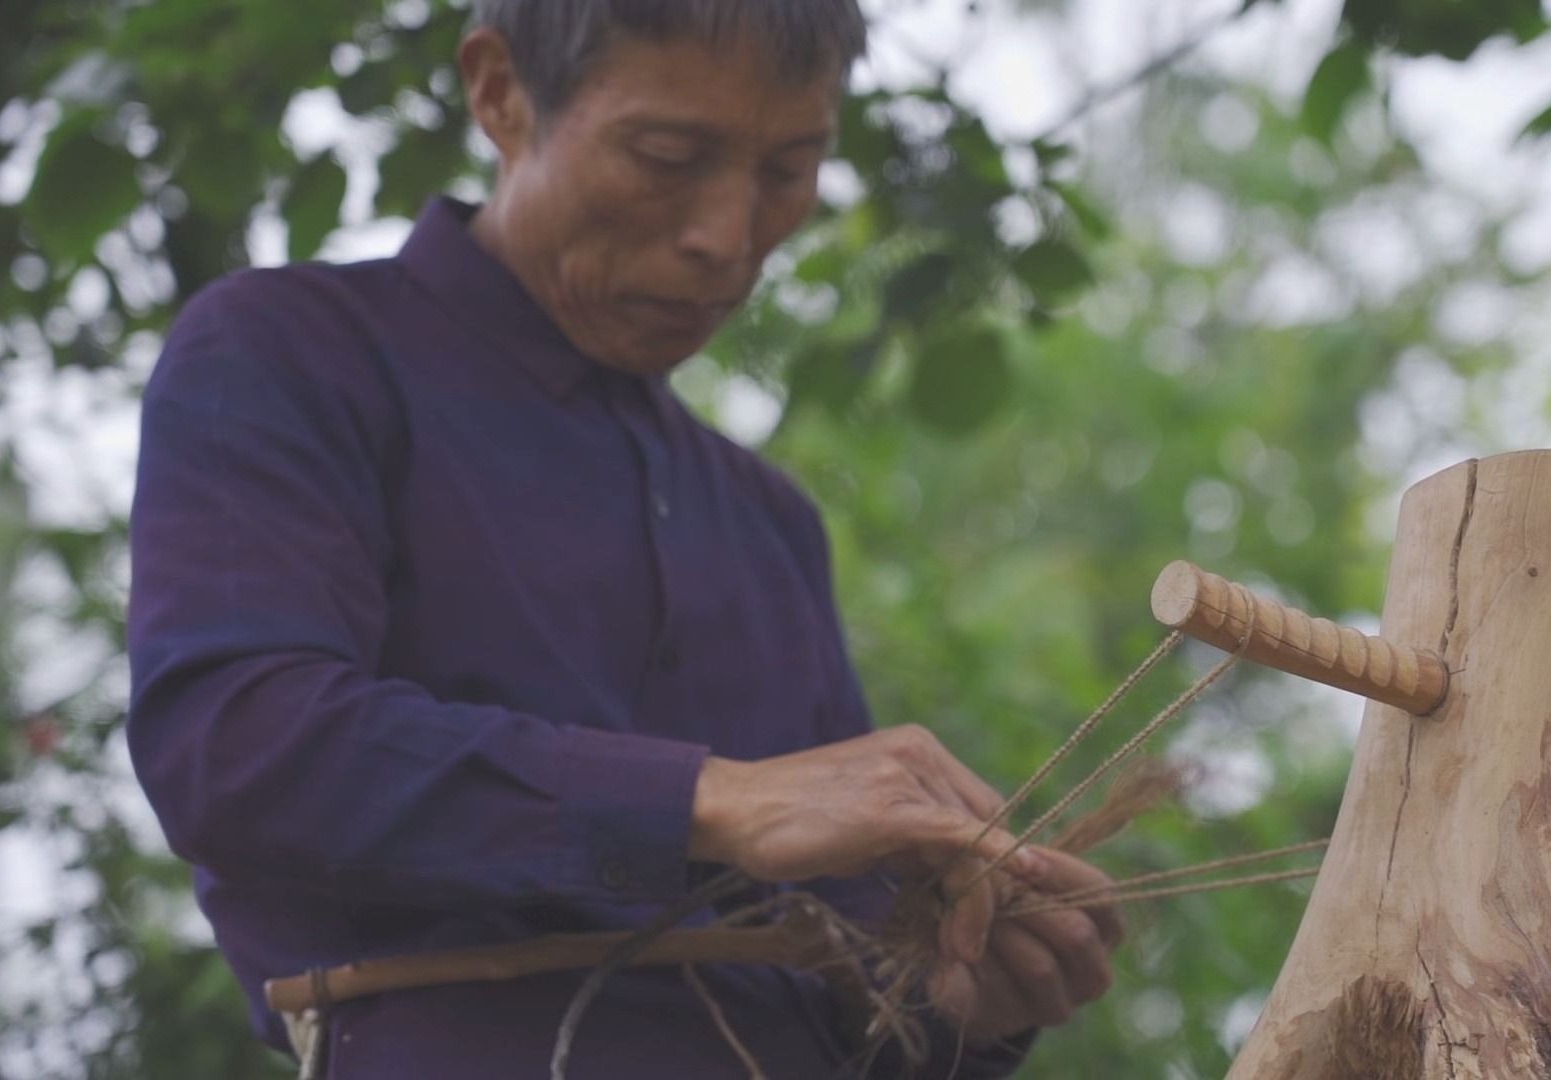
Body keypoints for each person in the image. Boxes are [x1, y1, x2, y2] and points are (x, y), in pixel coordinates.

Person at [126, 2, 1122, 1075]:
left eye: (789, 170)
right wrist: (712, 798)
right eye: (668, 155)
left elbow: (860, 992)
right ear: (501, 92)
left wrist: (970, 1000)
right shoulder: (292, 353)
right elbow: (236, 744)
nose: (727, 239)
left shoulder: (769, 523)